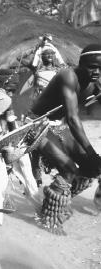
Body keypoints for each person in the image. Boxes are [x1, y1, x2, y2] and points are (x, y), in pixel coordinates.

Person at [29, 44, 101, 235]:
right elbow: (72, 118)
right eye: (92, 66)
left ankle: (59, 200)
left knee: (92, 167)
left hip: (58, 126)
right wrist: (92, 151)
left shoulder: (95, 82)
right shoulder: (68, 76)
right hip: (35, 125)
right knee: (69, 168)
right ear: (81, 63)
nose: (97, 72)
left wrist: (92, 157)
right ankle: (48, 218)